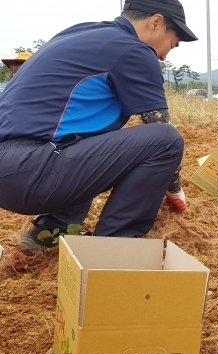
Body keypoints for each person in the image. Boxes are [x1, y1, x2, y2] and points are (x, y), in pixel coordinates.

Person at [0, 0, 197, 251]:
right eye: (173, 42)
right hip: (30, 171)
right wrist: (175, 190)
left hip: (15, 167)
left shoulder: (81, 32)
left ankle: (52, 230)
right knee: (166, 140)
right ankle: (113, 247)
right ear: (156, 22)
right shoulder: (133, 50)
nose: (166, 54)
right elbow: (158, 122)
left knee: (93, 142)